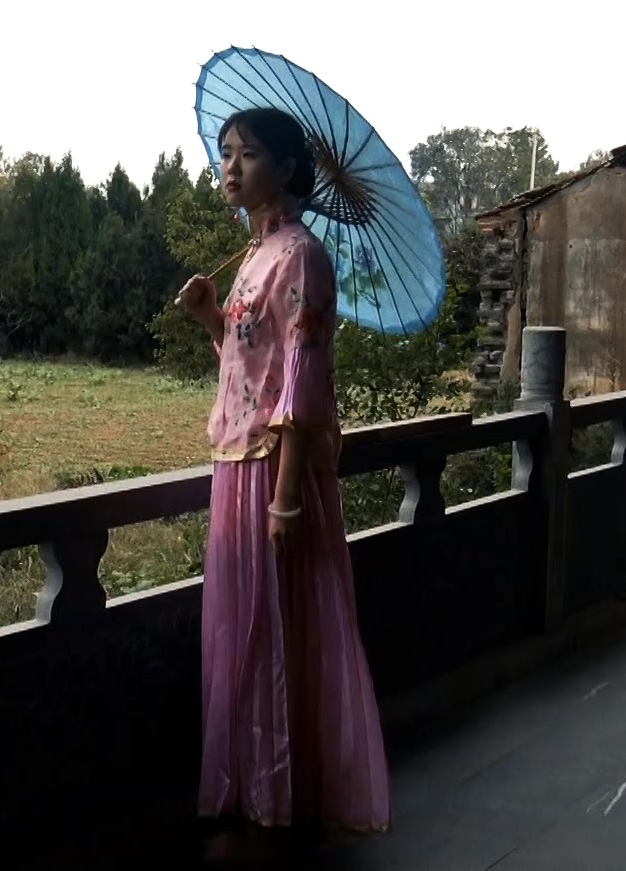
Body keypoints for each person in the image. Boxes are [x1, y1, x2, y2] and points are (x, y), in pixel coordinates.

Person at [175, 106, 391, 860]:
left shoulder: (302, 257)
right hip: (235, 464)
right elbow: (250, 370)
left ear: (289, 168)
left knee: (275, 636)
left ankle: (278, 811)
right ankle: (250, 799)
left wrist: (289, 496)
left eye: (249, 153)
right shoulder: (255, 256)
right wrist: (212, 318)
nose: (230, 166)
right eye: (226, 152)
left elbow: (301, 383)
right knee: (239, 636)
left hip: (274, 473)